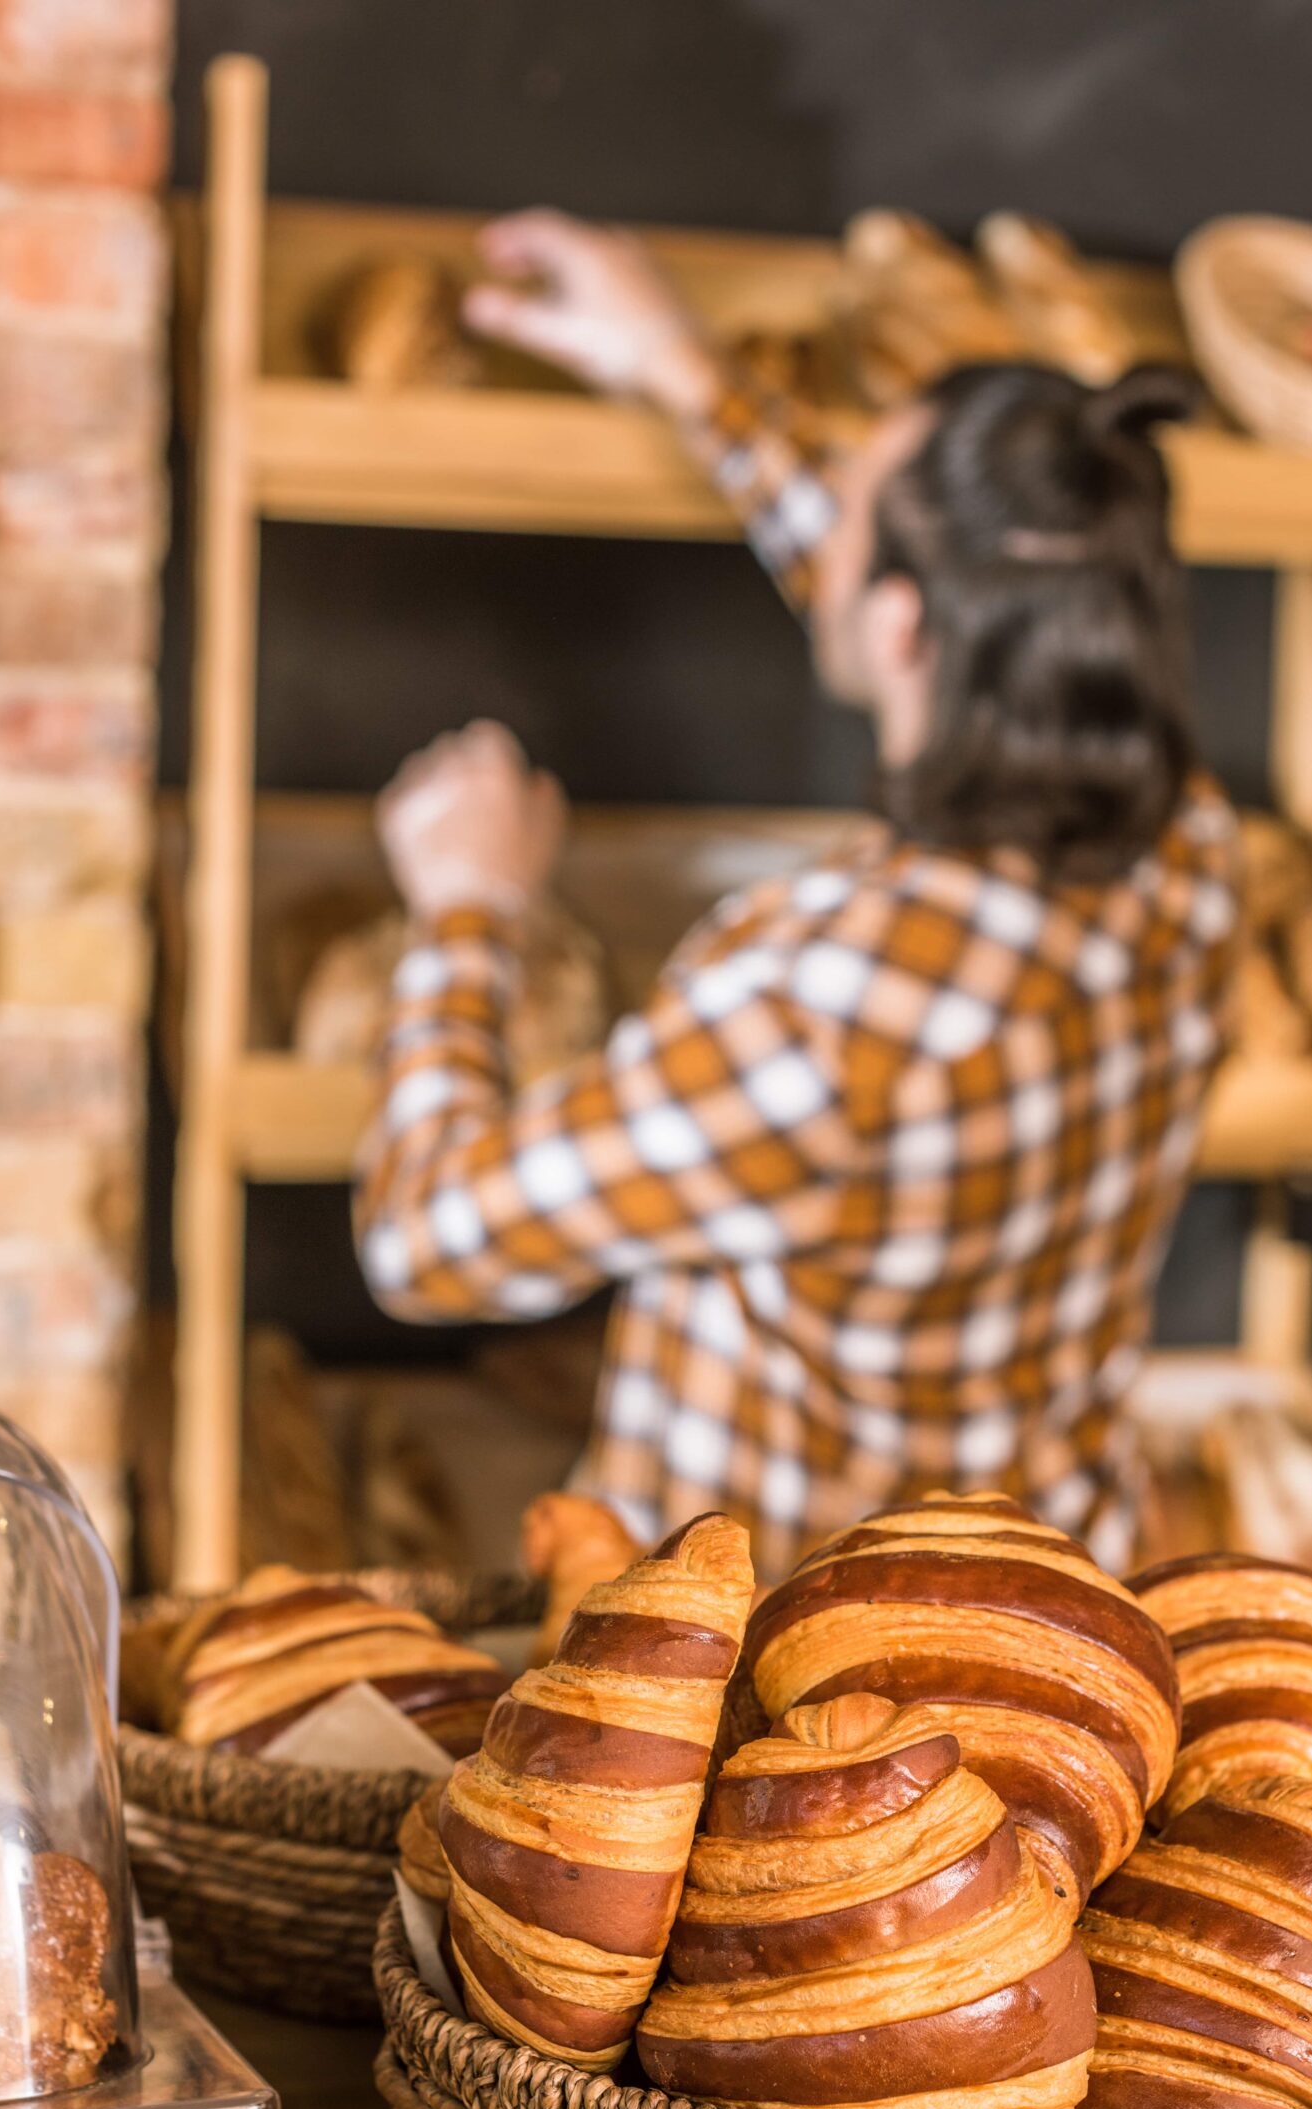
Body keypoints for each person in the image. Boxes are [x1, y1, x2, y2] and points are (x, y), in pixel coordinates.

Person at [354, 213, 1238, 1578]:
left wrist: (468, 913)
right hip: (1041, 1603)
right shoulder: (1185, 845)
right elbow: (930, 580)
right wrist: (681, 370)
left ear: (898, 628)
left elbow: (426, 1240)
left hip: (769, 1676)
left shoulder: (822, 1014)